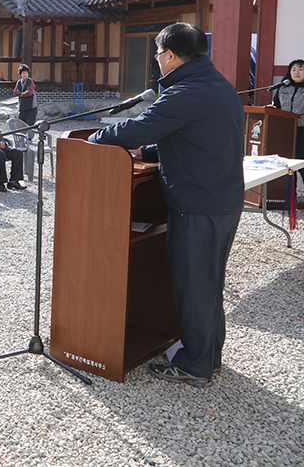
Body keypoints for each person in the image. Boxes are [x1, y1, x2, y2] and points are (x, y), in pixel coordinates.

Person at [88, 22, 244, 388]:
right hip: (221, 199)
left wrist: (95, 138)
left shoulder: (185, 91)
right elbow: (195, 139)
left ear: (170, 56)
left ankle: (195, 365)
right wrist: (148, 152)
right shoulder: (217, 85)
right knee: (208, 282)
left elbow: (136, 128)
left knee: (195, 285)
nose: (157, 61)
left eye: (157, 54)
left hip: (198, 203)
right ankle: (208, 354)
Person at [271, 58, 304, 160]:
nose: (296, 72)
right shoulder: (283, 87)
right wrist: (272, 109)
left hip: (302, 130)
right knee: (286, 162)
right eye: (293, 70)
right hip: (284, 130)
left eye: (300, 69)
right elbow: (276, 105)